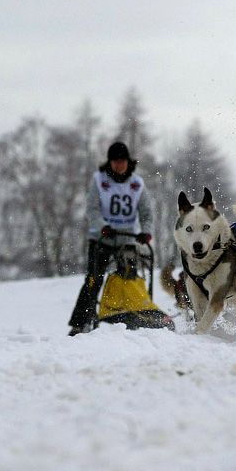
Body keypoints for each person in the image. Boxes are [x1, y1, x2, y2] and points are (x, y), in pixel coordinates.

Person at [68, 141, 154, 335]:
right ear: (110, 162)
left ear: (128, 162)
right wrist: (102, 227)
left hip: (127, 240)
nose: (118, 165)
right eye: (115, 161)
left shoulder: (137, 184)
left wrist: (146, 231)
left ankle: (130, 316)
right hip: (101, 239)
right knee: (93, 279)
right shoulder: (99, 180)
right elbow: (92, 209)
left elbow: (146, 212)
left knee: (129, 279)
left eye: (122, 161)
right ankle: (80, 323)